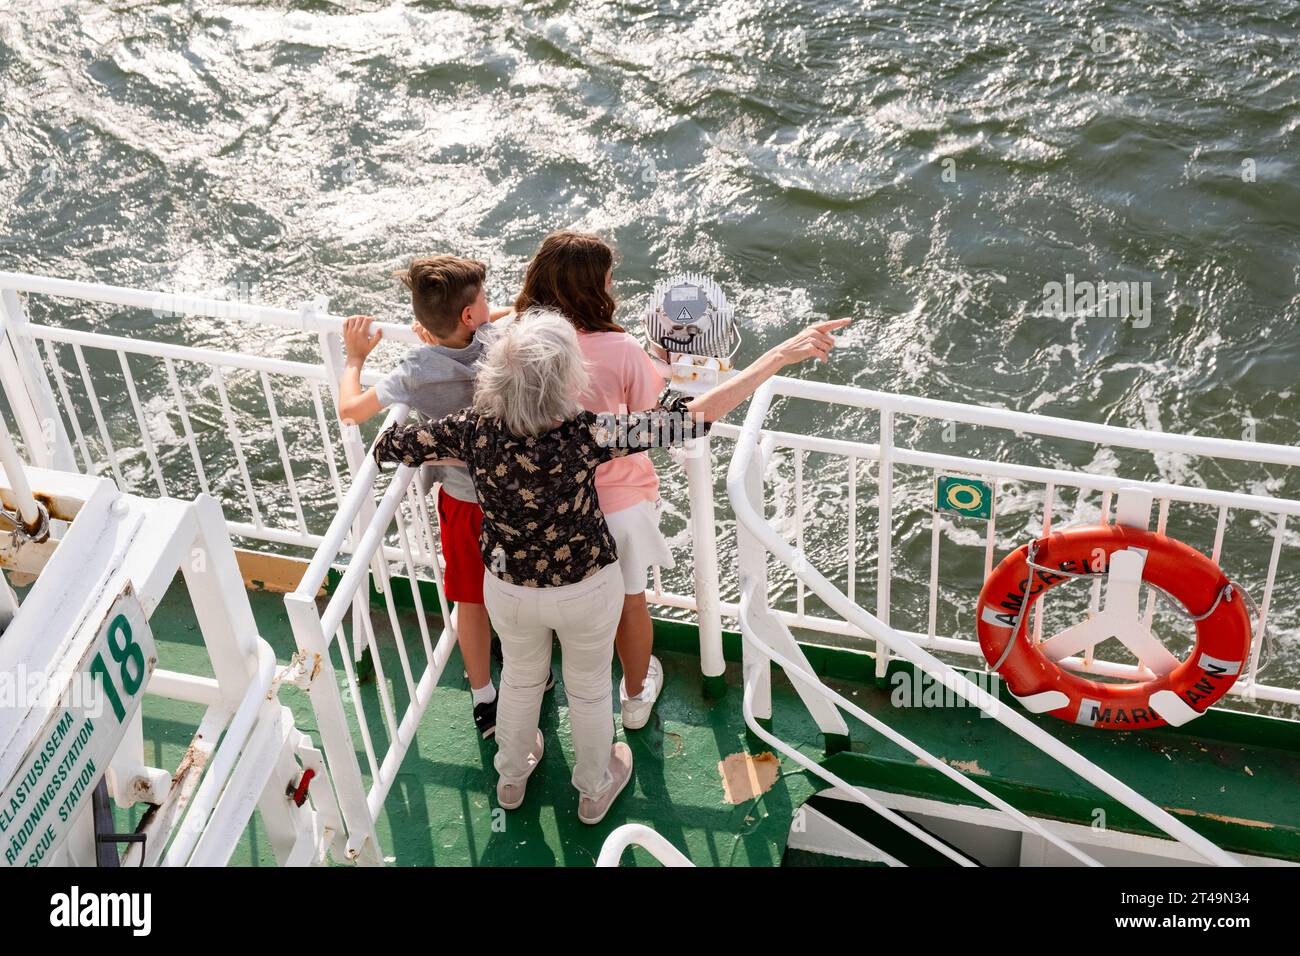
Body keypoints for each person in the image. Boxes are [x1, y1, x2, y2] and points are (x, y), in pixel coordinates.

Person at [372, 308, 849, 824]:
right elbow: (696, 417)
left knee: (521, 679)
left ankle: (511, 778)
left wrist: (484, 458)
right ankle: (594, 789)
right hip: (584, 587)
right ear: (566, 379)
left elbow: (390, 446)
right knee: (590, 687)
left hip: (507, 587)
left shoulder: (471, 429)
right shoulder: (584, 434)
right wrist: (780, 355)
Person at [336, 255, 515, 739]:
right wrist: (455, 333)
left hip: (462, 504)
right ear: (469, 315)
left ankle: (484, 699)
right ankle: (529, 674)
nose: (489, 307)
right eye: (483, 300)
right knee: (517, 587)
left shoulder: (416, 369)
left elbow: (350, 410)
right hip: (513, 496)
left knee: (470, 601)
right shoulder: (499, 348)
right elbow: (487, 330)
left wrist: (355, 358)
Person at [513, 230, 670, 730]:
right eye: (608, 277)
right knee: (629, 601)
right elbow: (649, 420)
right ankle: (636, 696)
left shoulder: (520, 341)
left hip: (545, 497)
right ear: (594, 287)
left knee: (559, 598)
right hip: (617, 501)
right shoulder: (623, 348)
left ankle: (538, 688)